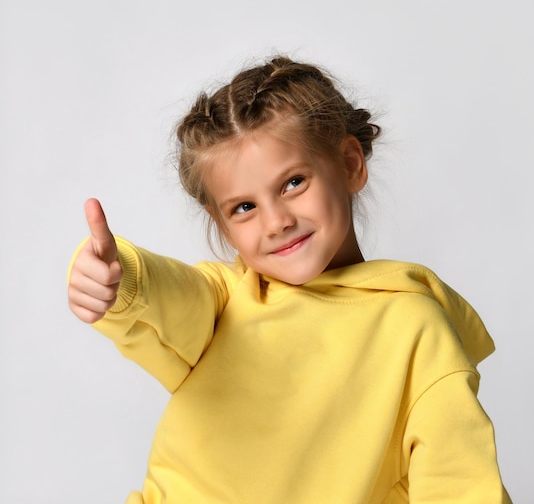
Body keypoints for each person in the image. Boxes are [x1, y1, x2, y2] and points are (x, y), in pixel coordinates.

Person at [68, 56, 511, 503]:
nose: (276, 221)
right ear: (221, 224)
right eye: (244, 207)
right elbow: (170, 297)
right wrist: (120, 277)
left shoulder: (415, 330)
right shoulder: (225, 301)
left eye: (293, 182)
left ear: (351, 164)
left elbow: (459, 482)